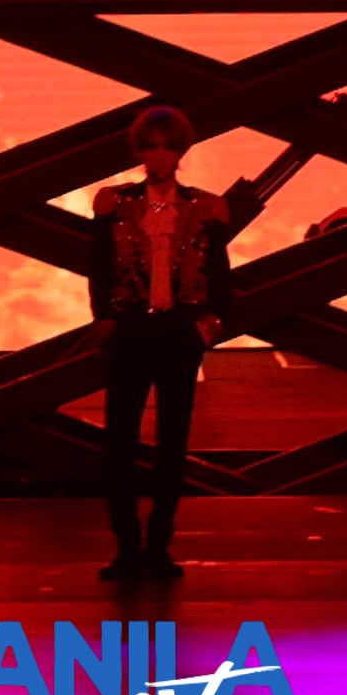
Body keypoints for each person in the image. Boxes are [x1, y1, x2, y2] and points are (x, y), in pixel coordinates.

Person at [85, 102, 291, 584]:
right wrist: (105, 319)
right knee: (119, 443)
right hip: (131, 331)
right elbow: (98, 267)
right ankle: (127, 550)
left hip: (178, 333)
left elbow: (220, 273)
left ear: (181, 152)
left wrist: (210, 325)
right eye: (151, 147)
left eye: (169, 147)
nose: (160, 155)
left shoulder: (203, 208)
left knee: (172, 444)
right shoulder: (115, 206)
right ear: (139, 152)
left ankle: (158, 548)